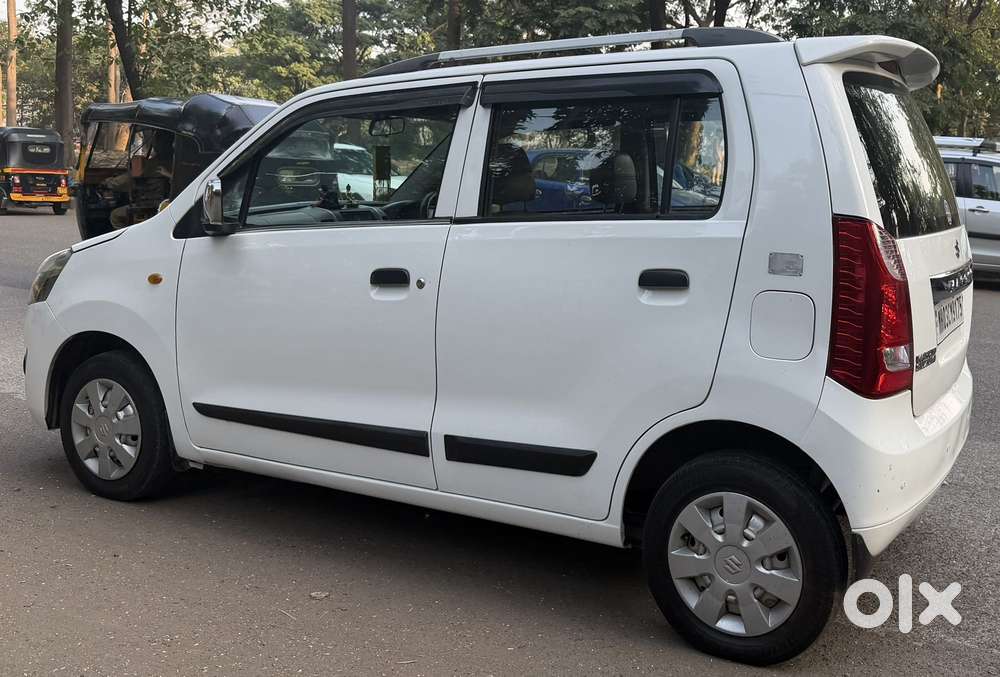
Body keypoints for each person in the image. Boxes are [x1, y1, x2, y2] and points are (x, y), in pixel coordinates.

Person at [104, 131, 174, 228]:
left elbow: (123, 182)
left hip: (150, 205)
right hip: (167, 204)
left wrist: (107, 183)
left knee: (115, 216)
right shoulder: (176, 163)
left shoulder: (152, 164)